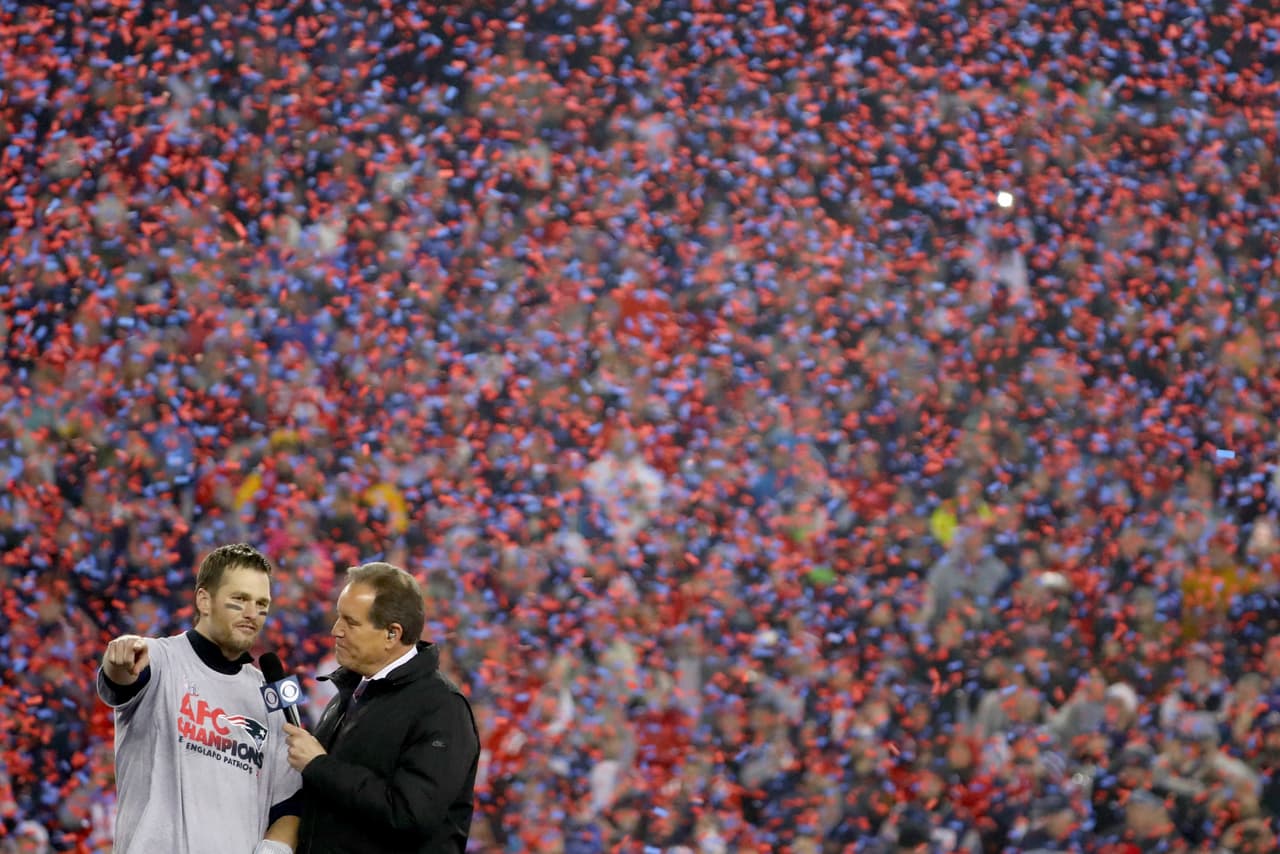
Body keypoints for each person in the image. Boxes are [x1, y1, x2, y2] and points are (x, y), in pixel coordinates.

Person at [96, 543, 302, 854]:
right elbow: (121, 678)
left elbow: (288, 803)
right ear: (204, 600)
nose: (252, 614)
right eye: (239, 599)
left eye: (262, 604)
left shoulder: (268, 696)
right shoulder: (161, 659)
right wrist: (119, 655)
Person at [284, 561, 479, 853]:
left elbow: (410, 814)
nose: (336, 630)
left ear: (392, 633)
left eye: (350, 622)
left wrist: (321, 766)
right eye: (339, 617)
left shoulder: (442, 708)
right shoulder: (348, 695)